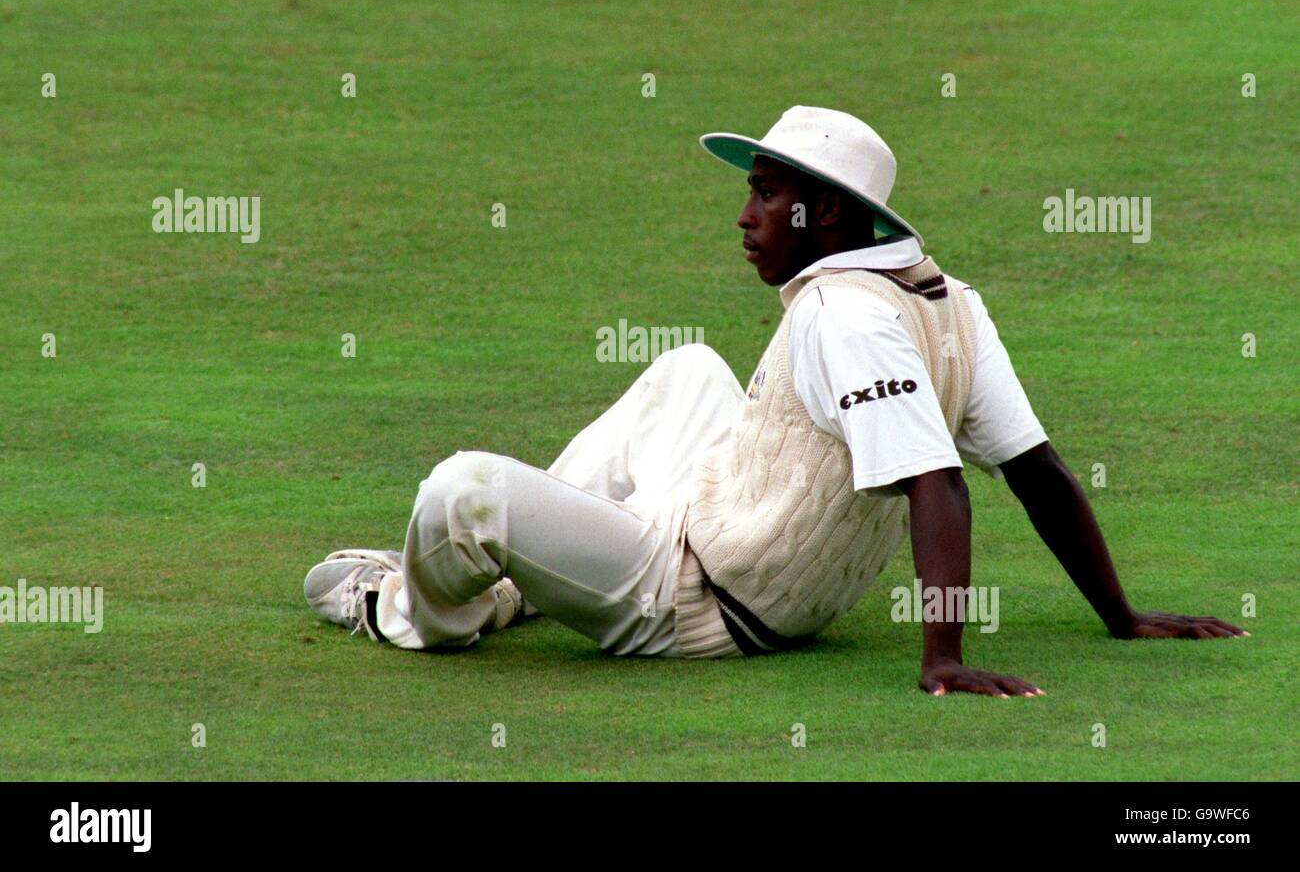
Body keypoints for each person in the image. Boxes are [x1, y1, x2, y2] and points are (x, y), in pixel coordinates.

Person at [304, 105, 1246, 697]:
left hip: (692, 601)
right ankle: (521, 578)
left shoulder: (846, 316)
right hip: (704, 524)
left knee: (466, 489)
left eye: (766, 194)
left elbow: (939, 481)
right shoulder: (949, 298)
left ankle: (409, 609)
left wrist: (943, 658)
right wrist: (1119, 615)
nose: (745, 215)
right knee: (689, 372)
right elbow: (1038, 472)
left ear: (827, 215)